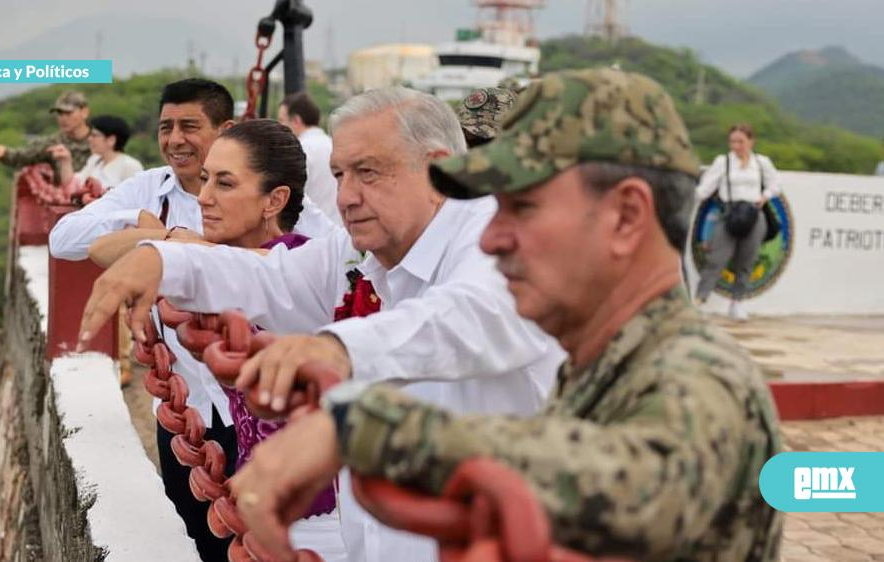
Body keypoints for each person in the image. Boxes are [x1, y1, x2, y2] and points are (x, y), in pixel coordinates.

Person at [222, 69, 783, 562]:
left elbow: (620, 481)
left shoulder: (698, 378)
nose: (490, 236)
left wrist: (362, 430)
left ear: (625, 216)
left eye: (522, 207)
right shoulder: (604, 363)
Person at [77, 87, 565, 562]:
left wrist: (336, 350)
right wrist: (163, 261)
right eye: (339, 174)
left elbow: (475, 315)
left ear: (437, 168)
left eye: (367, 173)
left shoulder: (498, 233)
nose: (347, 196)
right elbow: (273, 277)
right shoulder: (363, 249)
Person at [89, 119, 346, 561]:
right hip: (256, 497)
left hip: (322, 518)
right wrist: (169, 241)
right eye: (205, 179)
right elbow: (101, 251)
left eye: (224, 184)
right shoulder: (218, 263)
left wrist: (187, 251)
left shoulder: (304, 268)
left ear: (275, 200)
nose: (204, 197)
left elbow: (273, 268)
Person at [694, 123, 781, 321]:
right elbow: (705, 188)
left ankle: (737, 303)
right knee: (717, 259)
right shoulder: (723, 162)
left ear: (751, 141)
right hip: (730, 213)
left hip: (753, 213)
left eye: (740, 141)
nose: (736, 146)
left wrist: (764, 196)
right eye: (733, 141)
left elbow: (776, 184)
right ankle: (700, 299)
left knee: (746, 261)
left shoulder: (761, 162)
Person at [0, 90, 92, 185]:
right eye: (59, 113)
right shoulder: (54, 143)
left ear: (84, 112)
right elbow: (24, 155)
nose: (63, 118)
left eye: (68, 113)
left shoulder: (101, 140)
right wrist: (4, 153)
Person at [278, 92, 343, 225]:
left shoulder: (299, 150)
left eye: (281, 121)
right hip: (341, 230)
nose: (279, 127)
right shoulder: (334, 144)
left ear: (296, 120)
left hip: (312, 233)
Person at [49, 115, 144, 191]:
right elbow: (74, 185)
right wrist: (66, 160)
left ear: (111, 140)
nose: (90, 139)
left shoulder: (130, 166)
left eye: (94, 135)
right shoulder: (95, 160)